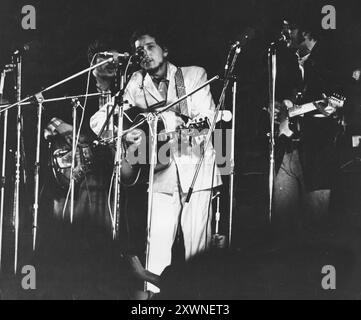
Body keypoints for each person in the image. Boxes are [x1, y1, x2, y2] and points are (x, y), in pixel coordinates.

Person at [90, 26, 222, 294]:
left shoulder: (194, 75)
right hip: (160, 172)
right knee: (157, 246)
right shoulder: (136, 83)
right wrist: (126, 135)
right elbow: (98, 120)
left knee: (198, 247)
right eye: (139, 51)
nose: (144, 54)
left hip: (196, 166)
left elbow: (208, 121)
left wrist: (163, 125)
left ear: (165, 50)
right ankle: (154, 300)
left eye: (150, 47)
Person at [272, 21, 341, 240]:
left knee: (315, 232)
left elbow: (335, 104)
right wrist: (279, 109)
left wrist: (335, 107)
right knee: (282, 228)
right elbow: (285, 102)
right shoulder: (291, 65)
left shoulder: (328, 63)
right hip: (287, 151)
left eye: (290, 28)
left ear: (306, 31)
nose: (285, 34)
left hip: (316, 154)